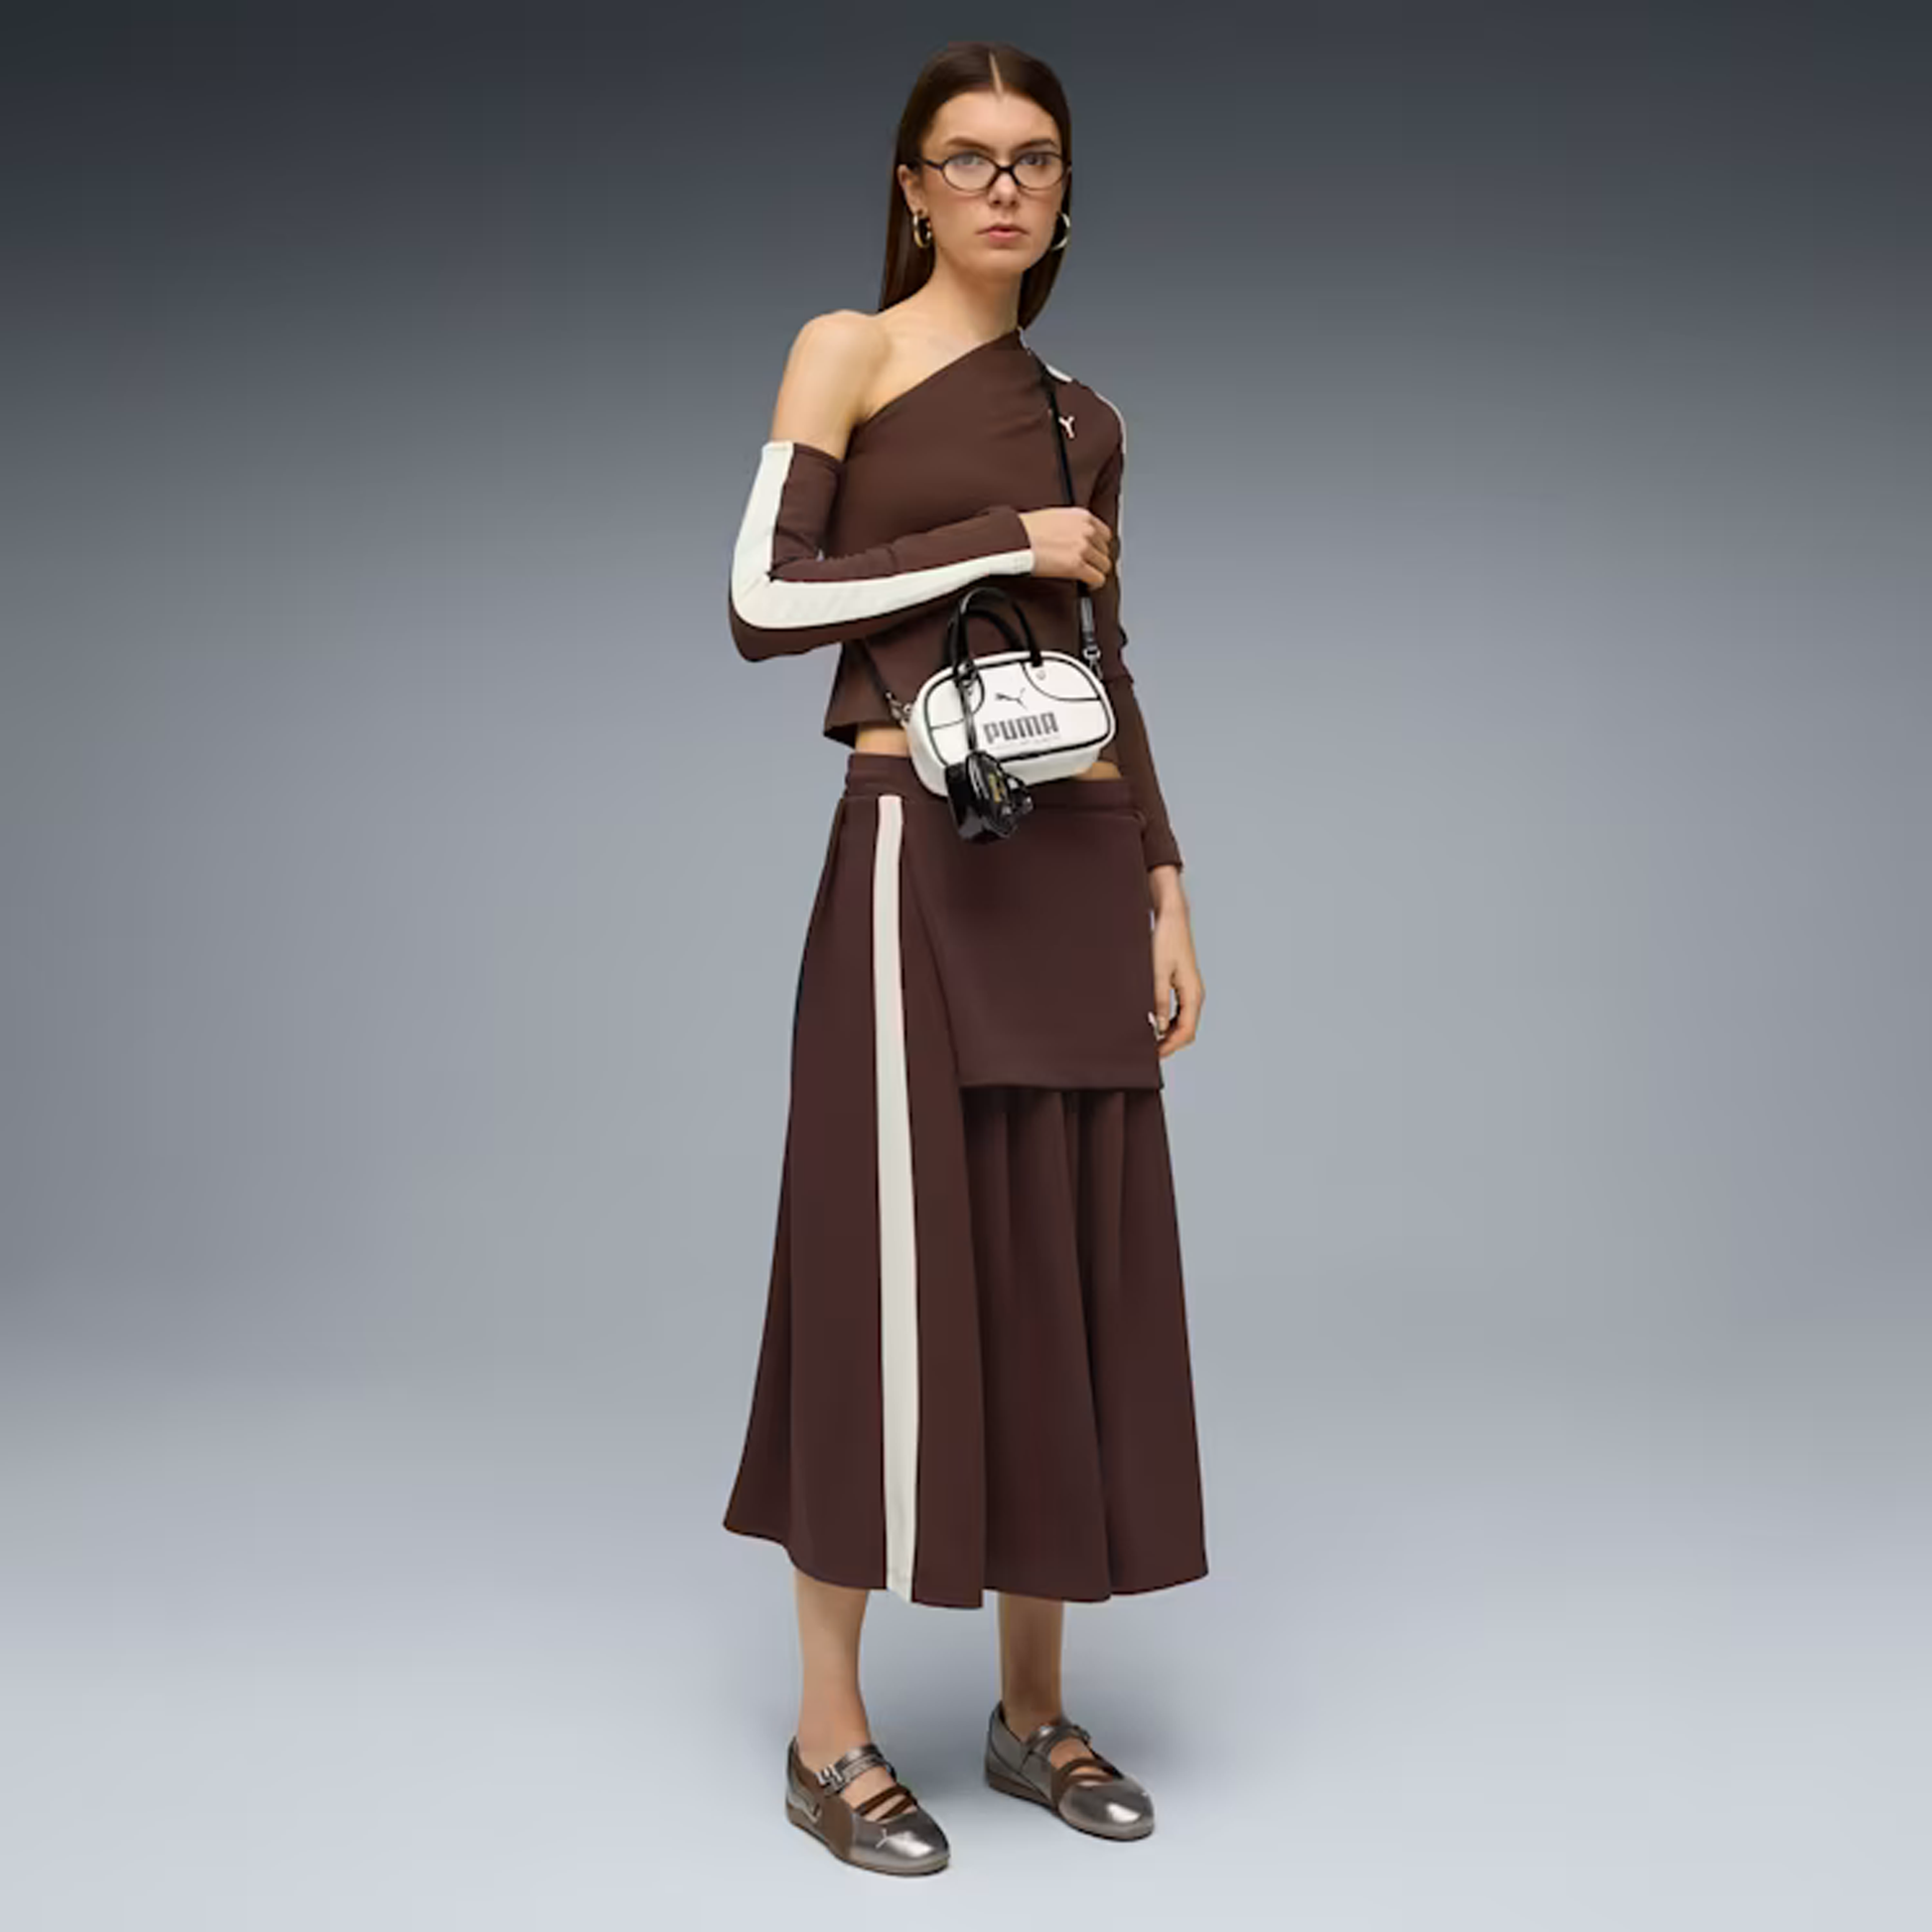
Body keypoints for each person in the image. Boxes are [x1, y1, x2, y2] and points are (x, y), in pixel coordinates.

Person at [720, 40, 1209, 1875]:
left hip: (1073, 860)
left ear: (1067, 194)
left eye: (1035, 159)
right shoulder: (844, 351)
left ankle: (1029, 1710)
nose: (1003, 186)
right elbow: (763, 599)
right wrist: (997, 536)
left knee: (1055, 1262)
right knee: (878, 1255)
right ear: (912, 187)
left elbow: (1106, 660)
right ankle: (827, 1735)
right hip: (913, 852)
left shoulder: (1091, 413)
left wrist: (1164, 878)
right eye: (967, 157)